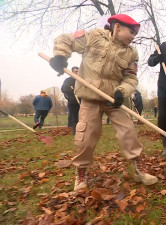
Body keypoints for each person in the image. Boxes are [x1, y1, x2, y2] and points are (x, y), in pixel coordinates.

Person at [49, 14, 158, 191]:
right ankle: (81, 173)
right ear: (117, 27)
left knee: (128, 132)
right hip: (90, 98)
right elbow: (66, 39)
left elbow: (131, 78)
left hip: (114, 100)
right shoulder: (93, 37)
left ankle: (139, 170)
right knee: (85, 137)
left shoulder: (131, 52)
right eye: (130, 32)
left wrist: (122, 92)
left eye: (135, 34)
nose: (133, 37)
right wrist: (60, 56)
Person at [61, 66, 80, 134]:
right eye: (75, 71)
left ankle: (82, 129)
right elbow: (63, 89)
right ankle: (74, 129)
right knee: (73, 116)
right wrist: (70, 90)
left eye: (78, 71)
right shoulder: (68, 80)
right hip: (73, 101)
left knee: (83, 116)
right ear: (72, 72)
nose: (77, 73)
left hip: (82, 101)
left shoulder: (81, 79)